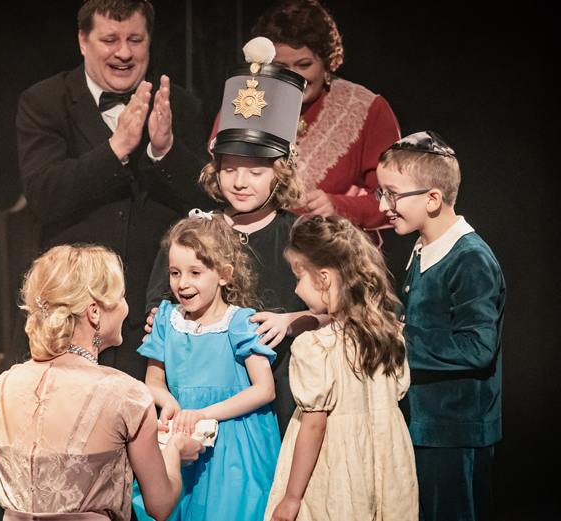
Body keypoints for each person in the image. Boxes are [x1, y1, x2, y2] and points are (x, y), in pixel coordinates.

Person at [16, 0, 211, 380]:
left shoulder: (181, 105)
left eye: (135, 40)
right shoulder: (44, 102)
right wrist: (115, 148)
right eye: (110, 40)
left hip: (156, 322)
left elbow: (206, 206)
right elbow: (44, 196)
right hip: (68, 320)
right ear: (83, 41)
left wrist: (166, 151)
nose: (124, 53)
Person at [145, 38, 326, 436]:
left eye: (256, 172)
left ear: (280, 174)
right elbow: (159, 302)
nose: (240, 182)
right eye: (229, 170)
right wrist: (160, 318)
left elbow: (344, 309)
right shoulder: (196, 231)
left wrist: (292, 321)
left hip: (278, 395)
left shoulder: (300, 235)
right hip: (199, 396)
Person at [0, 245, 204, 521]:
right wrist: (175, 450)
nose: (126, 308)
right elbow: (160, 506)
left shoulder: (2, 385)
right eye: (121, 297)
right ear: (94, 312)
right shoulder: (126, 394)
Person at [375, 131, 505, 521]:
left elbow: (478, 347)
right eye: (381, 193)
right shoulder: (423, 247)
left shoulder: (470, 258)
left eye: (392, 195)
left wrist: (399, 340)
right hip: (425, 425)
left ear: (432, 198)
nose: (382, 206)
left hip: (454, 432)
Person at [265, 215, 418, 521]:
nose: (296, 291)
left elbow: (314, 426)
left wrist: (292, 498)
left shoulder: (316, 347)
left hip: (338, 470)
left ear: (324, 279)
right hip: (386, 467)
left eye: (299, 277)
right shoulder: (389, 335)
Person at [133, 212, 281, 521]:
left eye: (195, 273)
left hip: (234, 444)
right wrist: (170, 403)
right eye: (175, 273)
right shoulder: (166, 319)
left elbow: (264, 390)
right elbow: (153, 381)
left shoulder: (239, 322)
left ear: (224, 274)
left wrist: (203, 413)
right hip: (183, 433)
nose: (183, 283)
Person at [211, 0, 399, 240]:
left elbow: (395, 198)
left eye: (304, 65)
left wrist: (339, 207)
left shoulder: (369, 109)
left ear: (327, 62)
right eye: (281, 66)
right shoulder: (248, 98)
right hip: (254, 243)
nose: (294, 77)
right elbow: (216, 174)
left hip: (334, 250)